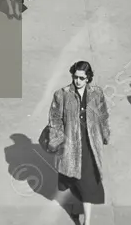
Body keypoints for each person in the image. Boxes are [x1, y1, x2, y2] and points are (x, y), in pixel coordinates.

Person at [45, 61, 110, 225]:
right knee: (72, 179)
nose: (77, 81)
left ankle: (87, 221)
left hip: (90, 146)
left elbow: (103, 115)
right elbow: (55, 120)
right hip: (70, 146)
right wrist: (57, 139)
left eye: (82, 78)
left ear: (88, 78)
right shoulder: (62, 94)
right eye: (75, 77)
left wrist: (105, 133)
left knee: (88, 182)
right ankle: (76, 208)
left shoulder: (97, 93)